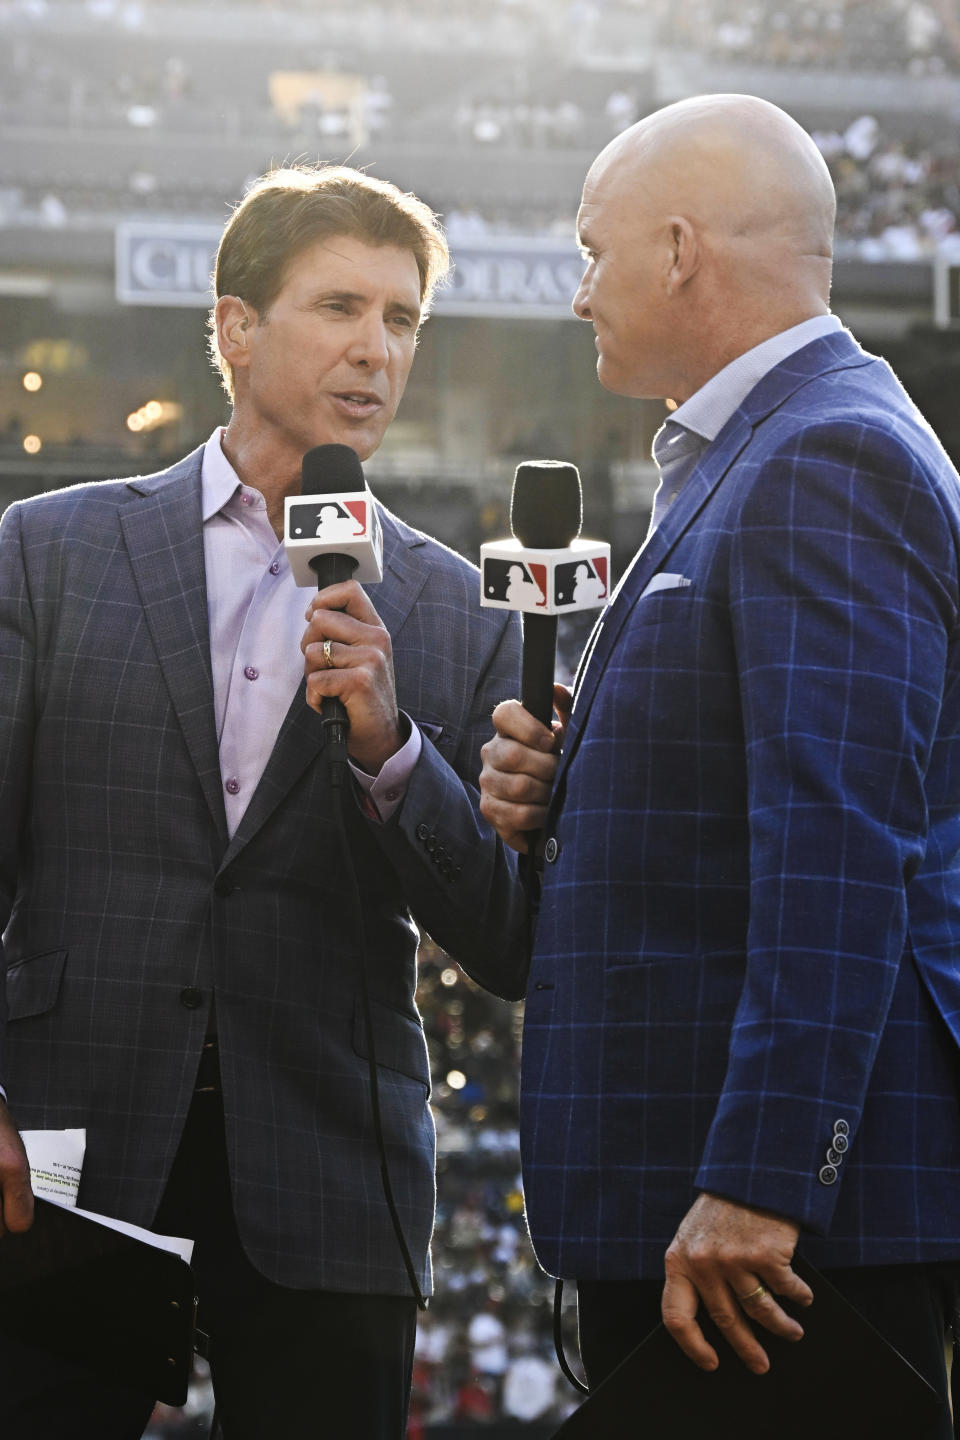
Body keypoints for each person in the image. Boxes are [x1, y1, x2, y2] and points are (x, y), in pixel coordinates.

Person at [0, 164, 526, 1439]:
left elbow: (510, 939)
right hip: (69, 1157)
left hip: (331, 1172)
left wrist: (391, 746)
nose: (376, 348)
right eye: (341, 305)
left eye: (402, 319)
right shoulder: (51, 551)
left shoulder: (457, 609)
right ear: (236, 329)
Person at [479, 94, 960, 1432]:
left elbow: (841, 847)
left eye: (592, 250)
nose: (579, 294)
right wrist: (571, 783)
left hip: (780, 1243)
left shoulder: (827, 455)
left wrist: (763, 1177)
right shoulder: (756, 451)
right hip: (721, 1218)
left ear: (680, 247)